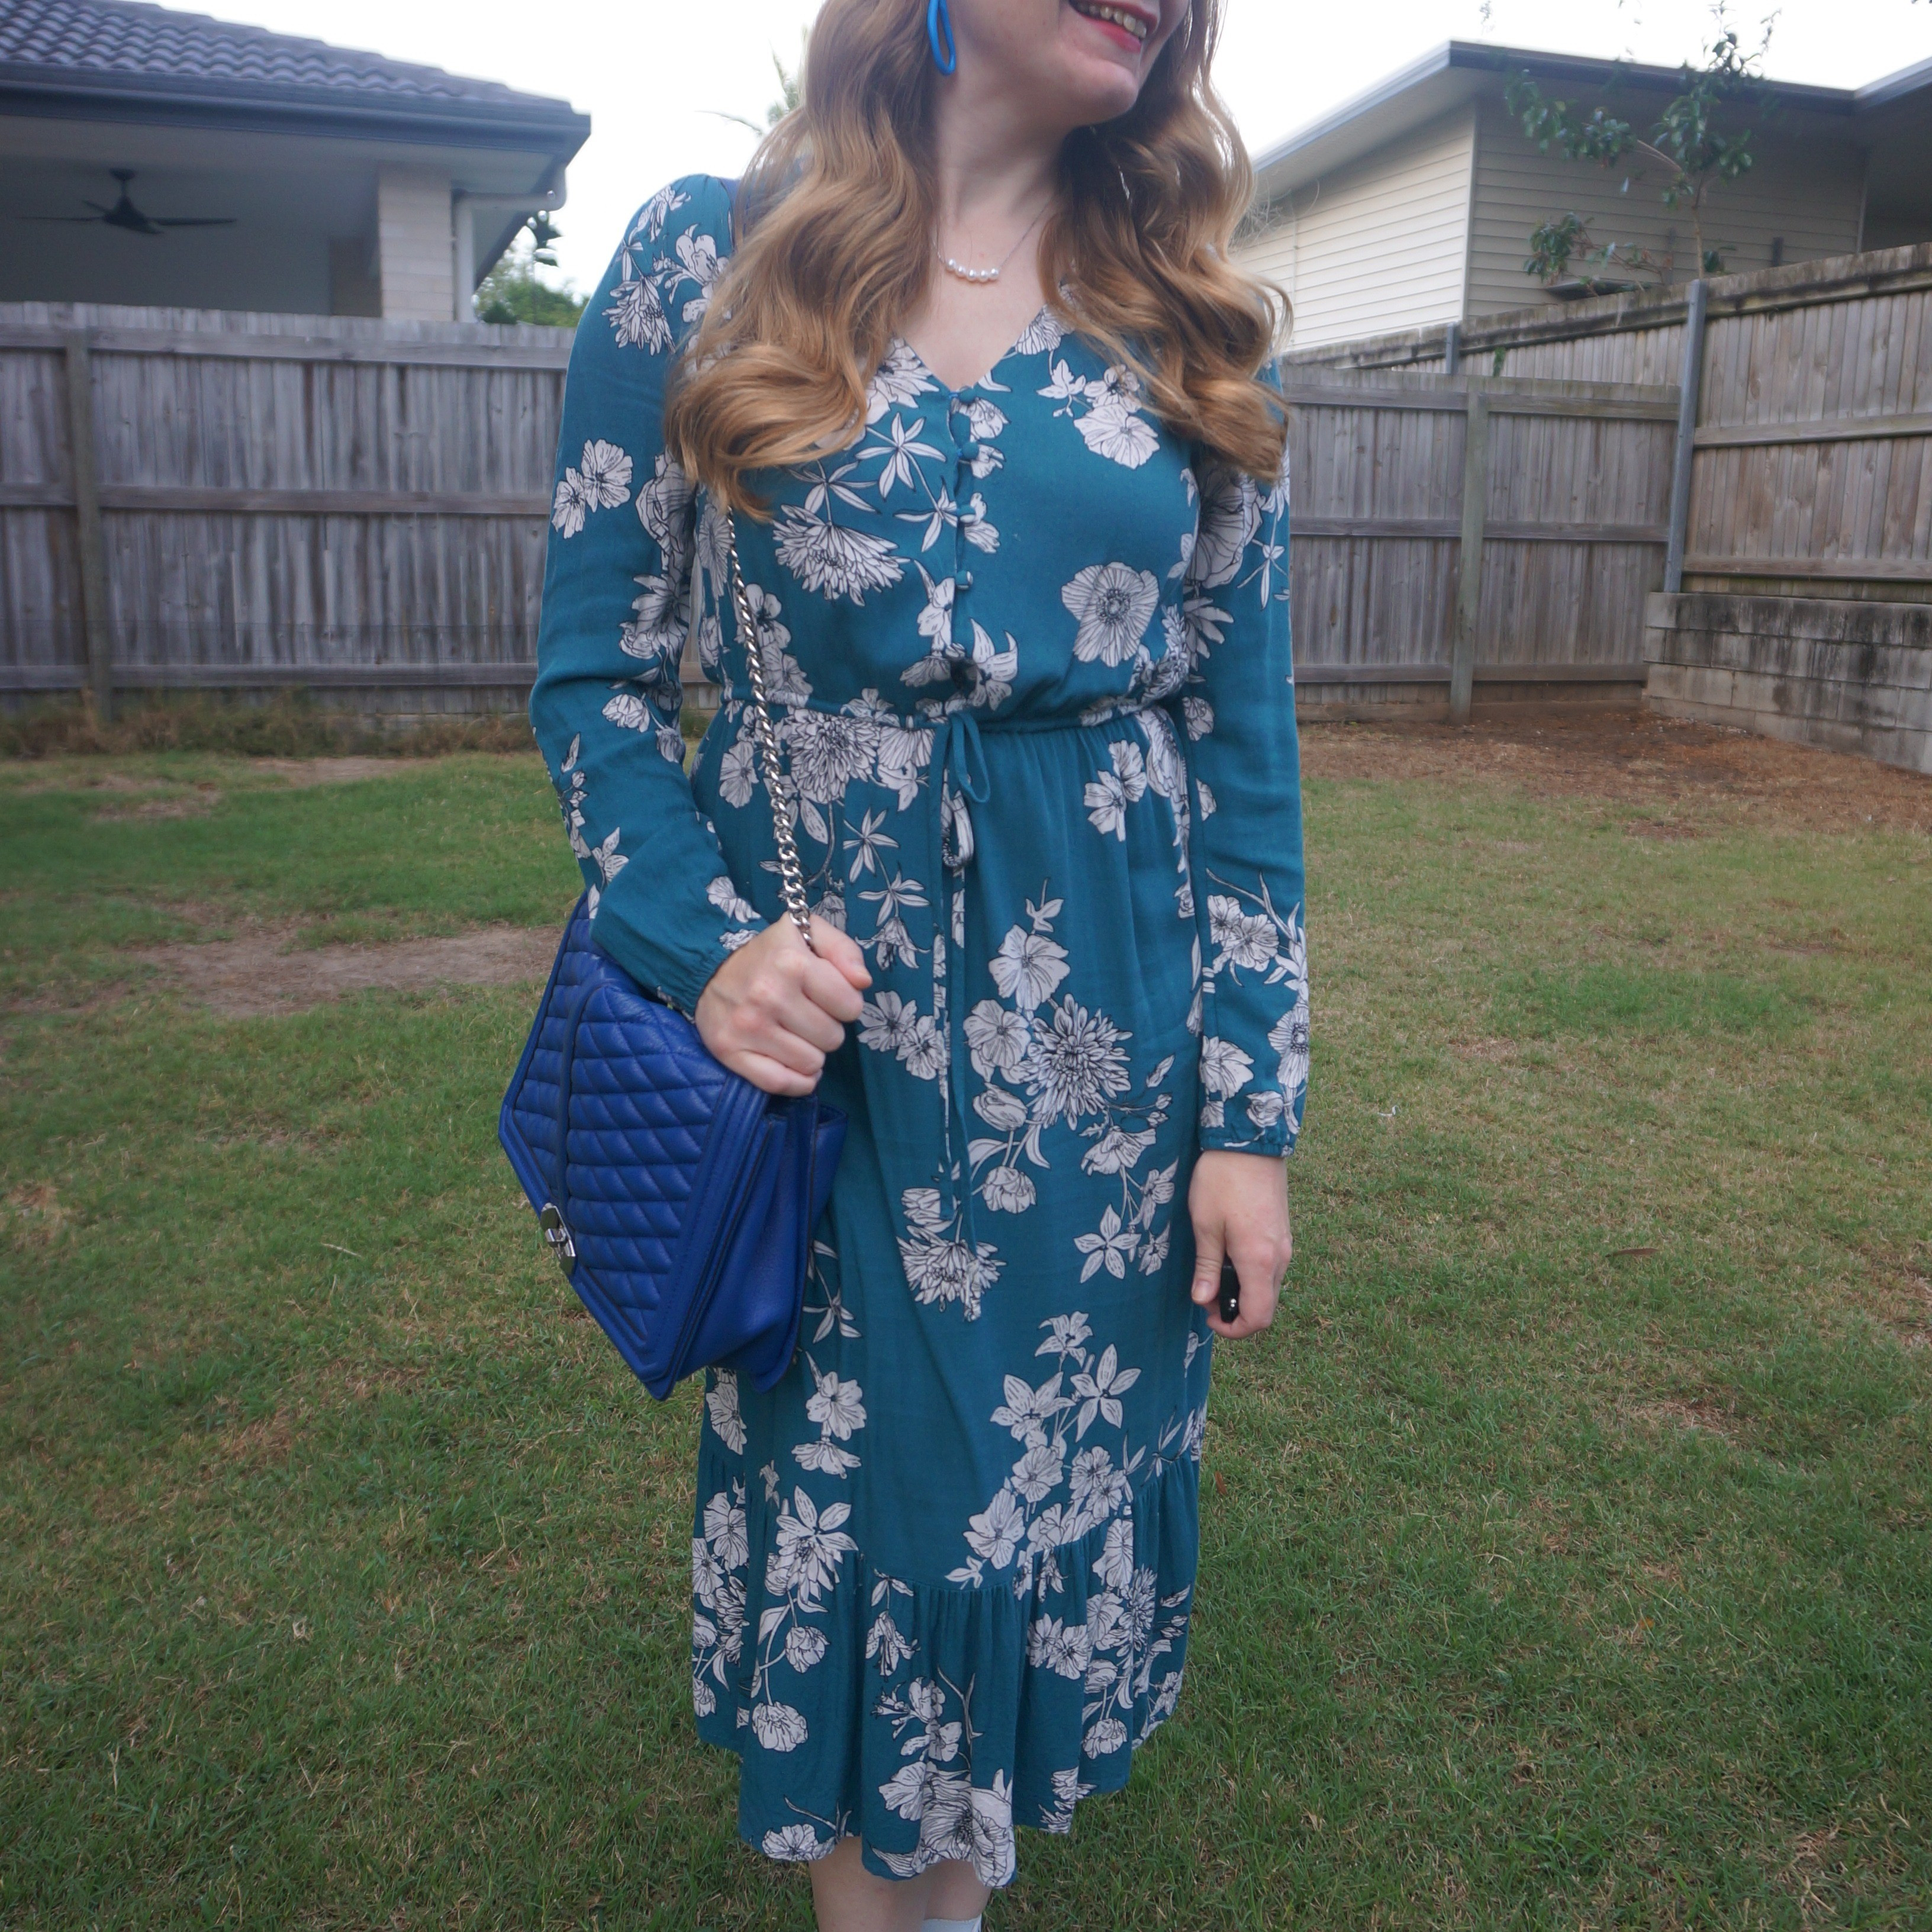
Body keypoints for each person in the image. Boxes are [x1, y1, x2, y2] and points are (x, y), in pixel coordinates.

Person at [531, 0, 1308, 1924]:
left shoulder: (1188, 317)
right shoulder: (709, 257)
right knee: (882, 1529)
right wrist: (705, 952)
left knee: (1028, 1519)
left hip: (1106, 1084)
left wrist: (1251, 1115)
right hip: (839, 1065)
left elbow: (1245, 758)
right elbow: (596, 679)